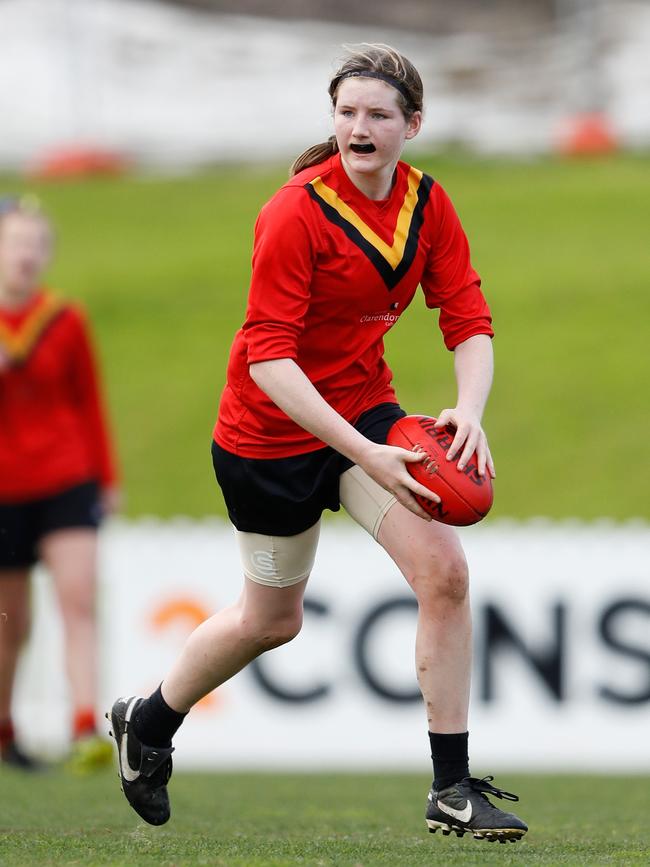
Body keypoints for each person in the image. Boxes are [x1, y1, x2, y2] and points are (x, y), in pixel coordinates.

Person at [109, 44, 528, 842]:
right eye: (346, 112)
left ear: (413, 123)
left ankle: (451, 788)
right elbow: (269, 359)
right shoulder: (295, 211)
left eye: (377, 114)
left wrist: (469, 411)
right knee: (271, 621)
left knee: (444, 572)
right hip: (268, 436)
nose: (358, 128)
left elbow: (468, 319)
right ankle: (150, 721)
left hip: (365, 415)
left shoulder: (428, 204)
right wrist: (362, 453)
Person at [0, 197, 119, 771]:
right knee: (11, 622)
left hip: (66, 478)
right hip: (3, 488)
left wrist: (107, 477)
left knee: (78, 602)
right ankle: (6, 730)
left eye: (35, 245)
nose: (25, 256)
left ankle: (84, 728)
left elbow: (88, 401)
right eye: (14, 243)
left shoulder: (64, 318)